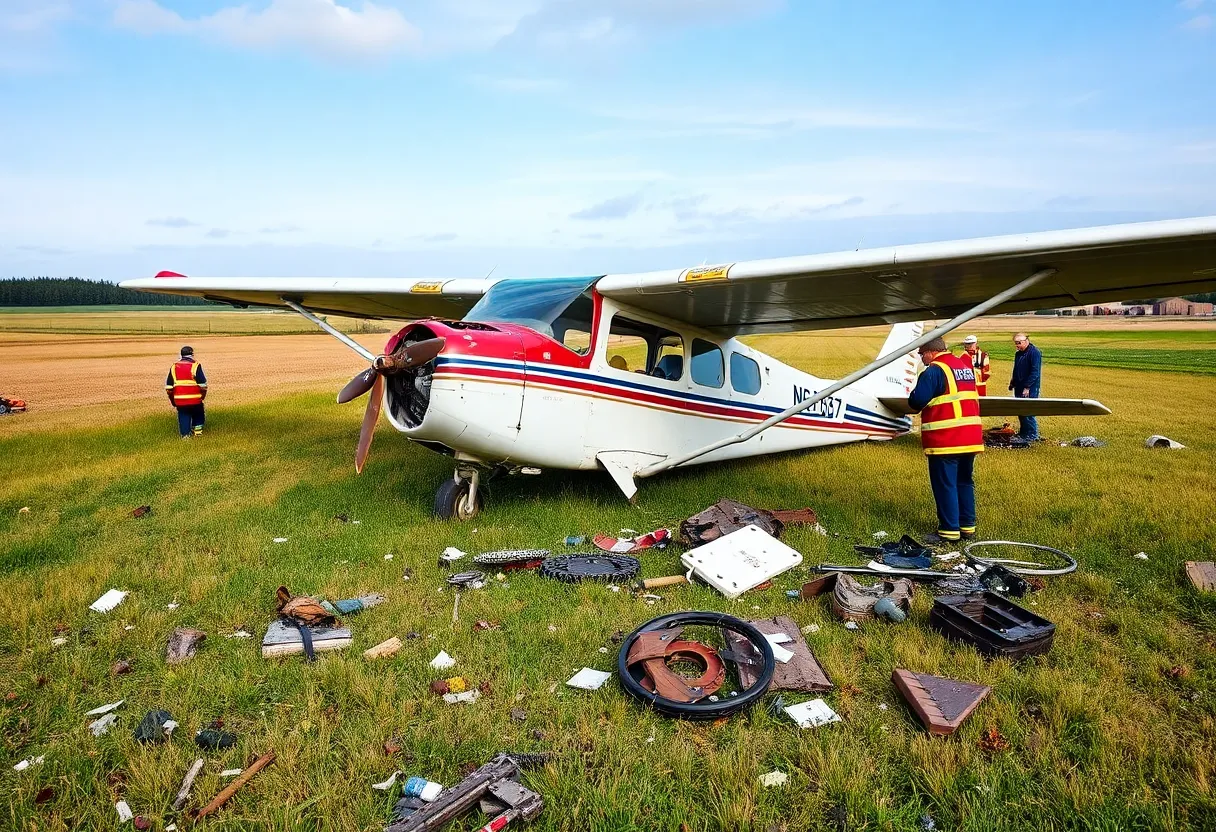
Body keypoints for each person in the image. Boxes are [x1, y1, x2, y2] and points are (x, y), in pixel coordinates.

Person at [908, 337, 983, 544]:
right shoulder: (963, 366)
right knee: (964, 481)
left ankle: (949, 531)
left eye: (922, 354)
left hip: (947, 439)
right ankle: (967, 527)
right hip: (970, 438)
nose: (922, 359)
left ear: (931, 352)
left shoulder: (934, 370)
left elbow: (916, 401)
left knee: (945, 484)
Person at [166, 345, 207, 438]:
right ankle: (198, 432)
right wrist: (202, 395)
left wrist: (172, 399)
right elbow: (203, 385)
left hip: (179, 399)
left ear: (181, 355)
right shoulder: (196, 365)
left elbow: (169, 387)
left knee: (183, 415)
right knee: (198, 413)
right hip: (195, 398)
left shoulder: (174, 367)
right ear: (192, 354)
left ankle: (185, 436)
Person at [1009, 332, 1041, 440]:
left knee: (1028, 411)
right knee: (1020, 410)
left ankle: (1032, 435)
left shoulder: (1034, 353)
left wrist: (1027, 387)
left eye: (1019, 343)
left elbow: (1035, 372)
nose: (1017, 346)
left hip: (1030, 387)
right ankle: (1023, 433)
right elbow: (1016, 368)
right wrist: (1012, 382)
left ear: (1026, 341)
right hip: (1019, 386)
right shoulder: (1018, 354)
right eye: (1016, 343)